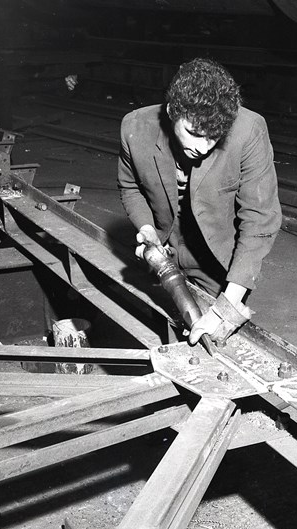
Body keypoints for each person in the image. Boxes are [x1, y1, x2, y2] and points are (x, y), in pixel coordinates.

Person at [118, 58, 282, 346]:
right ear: (171, 111)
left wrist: (227, 306)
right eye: (194, 133)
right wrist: (146, 227)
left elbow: (260, 221)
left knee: (220, 345)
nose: (203, 148)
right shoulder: (135, 129)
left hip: (216, 262)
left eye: (214, 138)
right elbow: (130, 187)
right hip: (164, 251)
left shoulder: (249, 131)